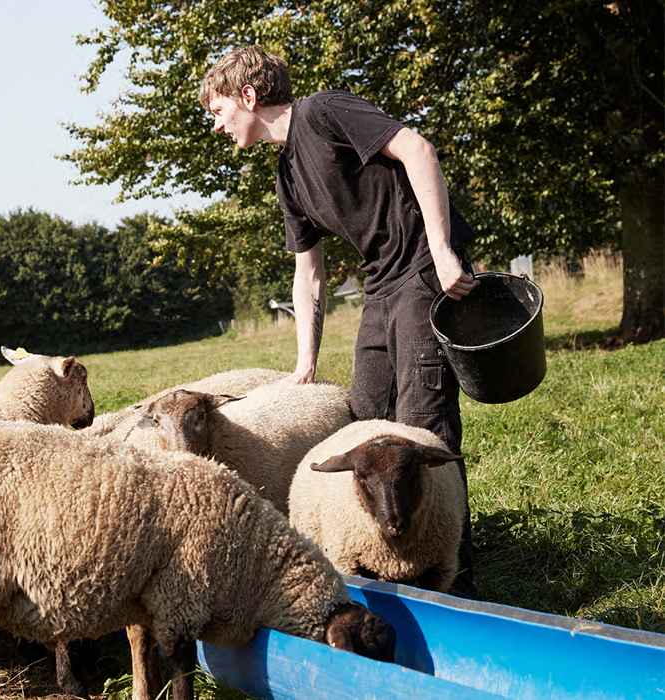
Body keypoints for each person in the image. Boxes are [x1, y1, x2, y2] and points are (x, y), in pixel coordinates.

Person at [200, 46, 479, 597]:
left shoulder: (325, 112)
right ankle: (378, 570)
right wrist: (304, 364)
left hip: (423, 270)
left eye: (218, 111)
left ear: (248, 97)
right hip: (380, 286)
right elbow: (309, 274)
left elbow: (419, 150)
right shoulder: (288, 175)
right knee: (363, 421)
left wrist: (445, 252)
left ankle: (455, 578)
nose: (217, 126)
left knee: (422, 426)